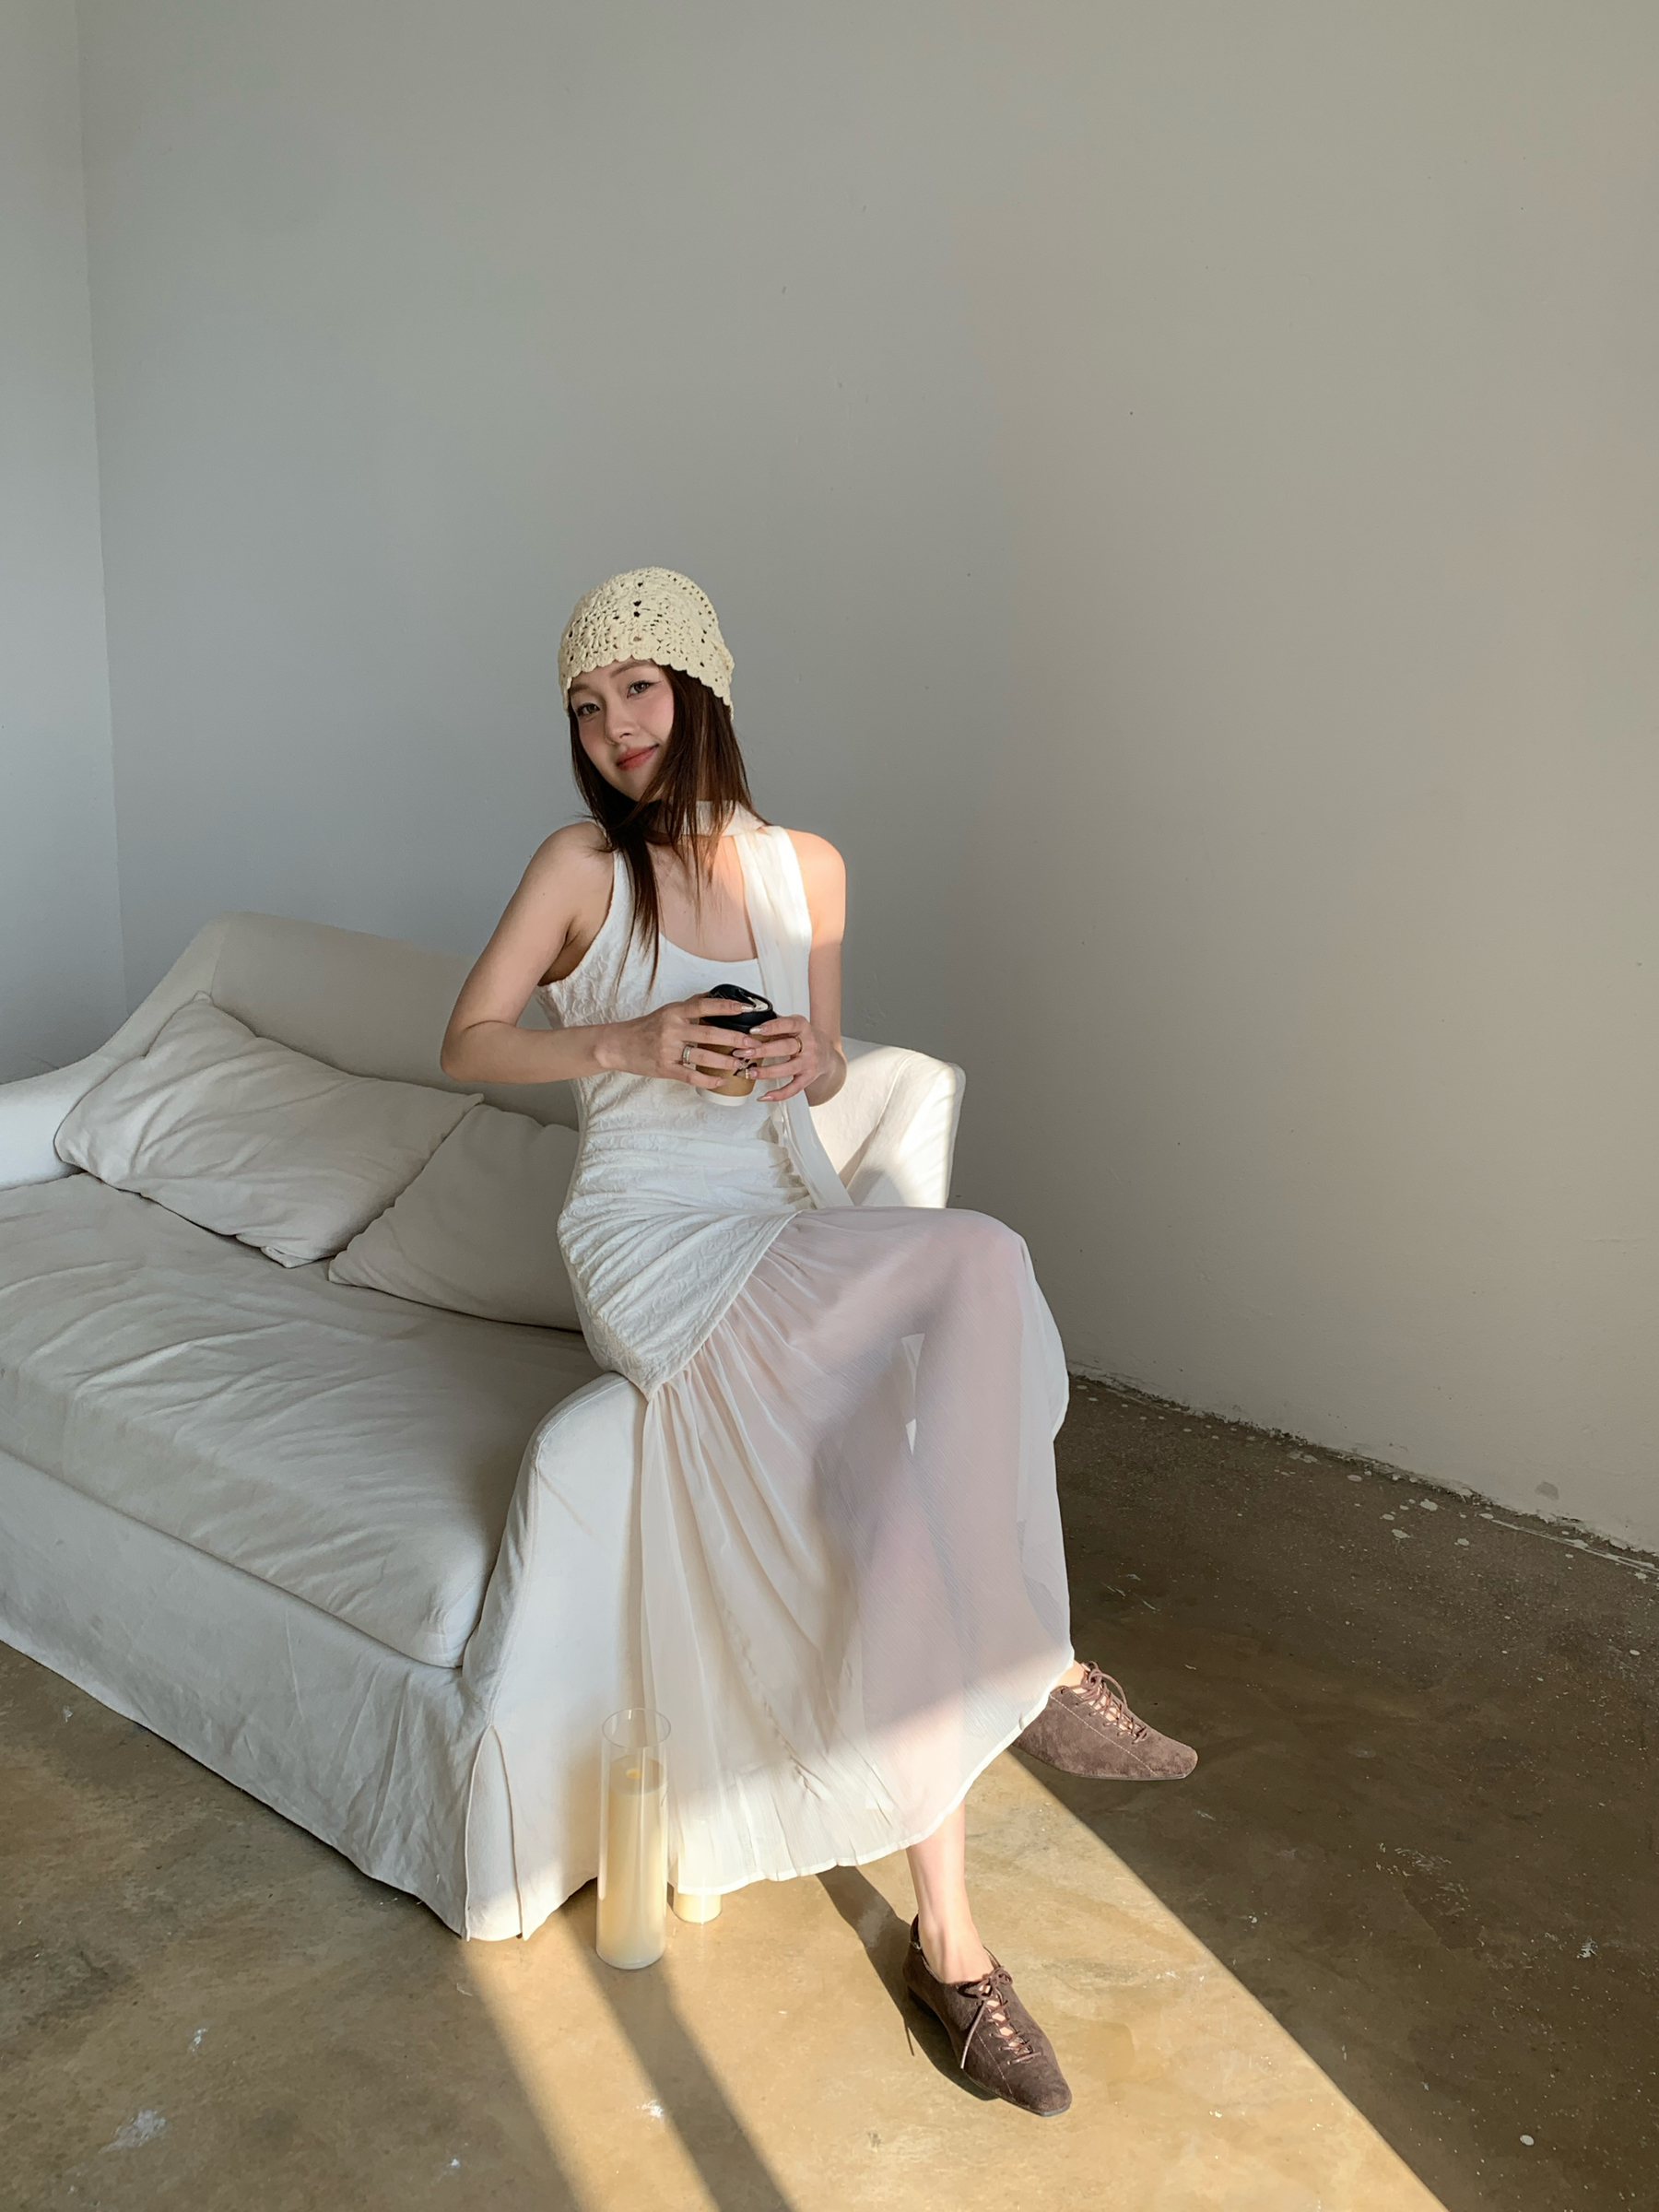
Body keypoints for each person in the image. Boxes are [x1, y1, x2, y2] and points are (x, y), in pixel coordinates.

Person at [442, 568, 1195, 2115]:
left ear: (700, 687)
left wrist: (806, 1055)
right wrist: (631, 1040)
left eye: (636, 688)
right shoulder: (581, 867)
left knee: (892, 1515)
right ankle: (1033, 1655)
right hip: (655, 1241)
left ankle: (956, 1953)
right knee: (981, 1253)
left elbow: (833, 1059)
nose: (611, 726)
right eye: (584, 706)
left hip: (790, 1215)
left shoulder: (811, 871)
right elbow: (466, 1040)